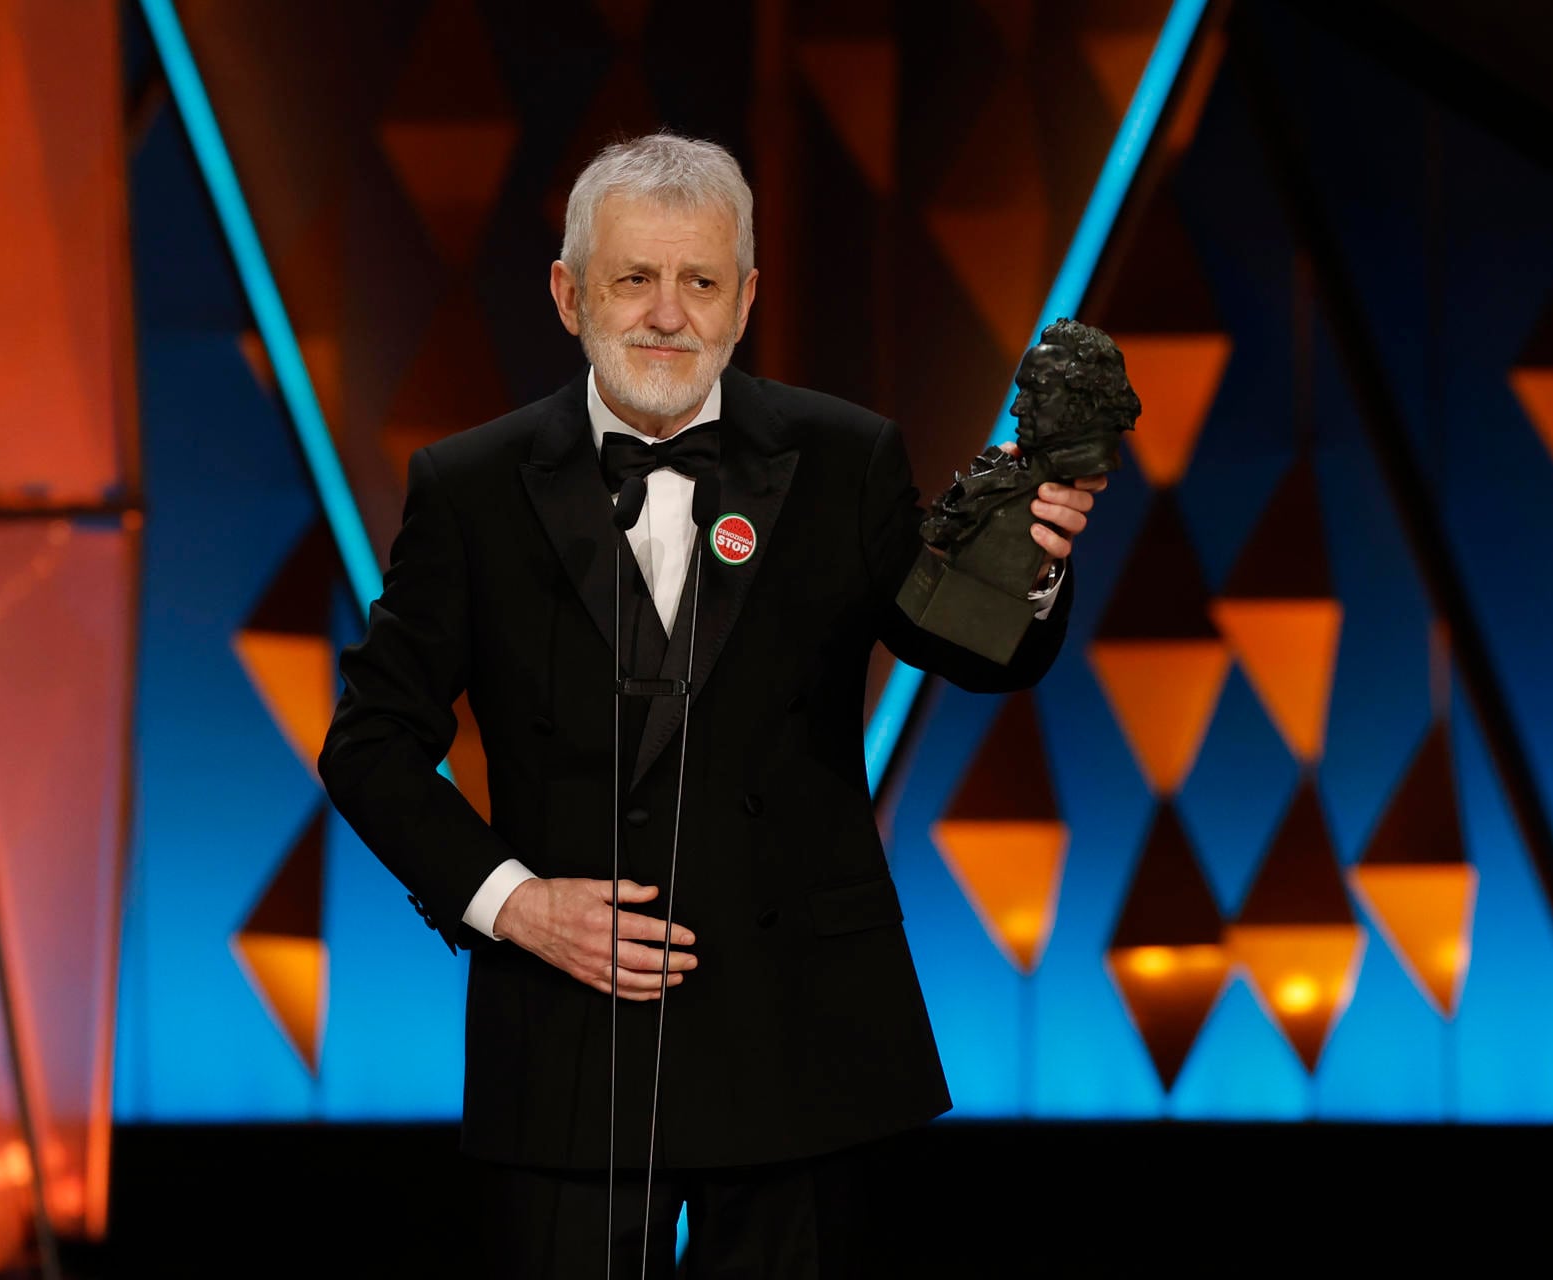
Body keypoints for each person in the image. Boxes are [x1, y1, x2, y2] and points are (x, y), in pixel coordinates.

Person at [319, 133, 1106, 1278]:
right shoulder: (471, 486)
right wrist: (518, 904)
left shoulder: (845, 459)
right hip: (571, 1040)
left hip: (800, 1043)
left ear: (744, 300)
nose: (666, 314)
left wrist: (1027, 566)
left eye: (699, 282)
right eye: (635, 277)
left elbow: (969, 649)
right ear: (570, 292)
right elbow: (372, 743)